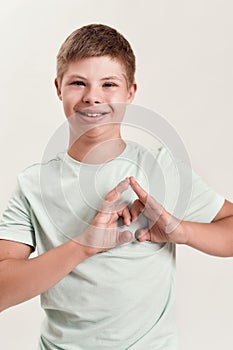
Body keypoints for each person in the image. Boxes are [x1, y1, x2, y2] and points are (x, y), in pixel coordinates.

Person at [0, 23, 232, 350]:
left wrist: (182, 231)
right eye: (78, 83)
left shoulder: (159, 167)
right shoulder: (33, 185)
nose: (93, 96)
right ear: (58, 88)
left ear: (130, 92)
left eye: (109, 84)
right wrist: (83, 246)